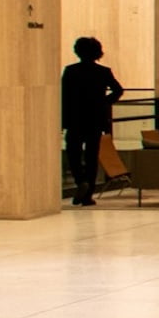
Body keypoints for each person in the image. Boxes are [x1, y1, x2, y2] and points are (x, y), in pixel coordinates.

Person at [60, 36, 124, 207]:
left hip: (74, 120)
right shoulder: (103, 72)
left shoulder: (71, 71)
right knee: (91, 157)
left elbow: (64, 98)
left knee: (72, 153)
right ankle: (87, 195)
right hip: (95, 120)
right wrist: (104, 103)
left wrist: (62, 120)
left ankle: (80, 181)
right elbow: (118, 90)